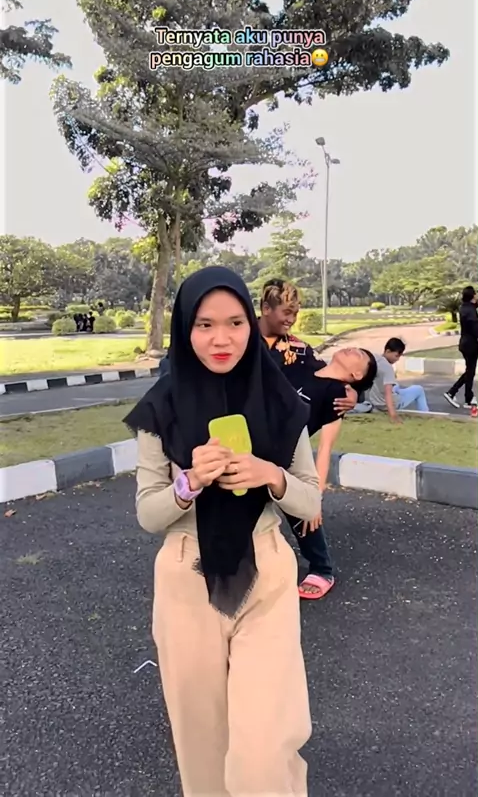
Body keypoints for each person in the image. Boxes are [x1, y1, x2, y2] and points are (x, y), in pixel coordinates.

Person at [125, 267, 322, 797]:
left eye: (235, 322)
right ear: (185, 329)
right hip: (186, 578)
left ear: (251, 324)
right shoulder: (160, 409)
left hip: (266, 571)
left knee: (262, 752)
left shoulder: (279, 400)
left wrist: (270, 475)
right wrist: (189, 482)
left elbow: (310, 500)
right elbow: (148, 514)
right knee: (203, 748)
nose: (221, 339)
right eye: (205, 324)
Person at [258, 278, 358, 599]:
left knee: (296, 497)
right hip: (241, 433)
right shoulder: (238, 338)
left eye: (296, 313)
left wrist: (351, 394)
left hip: (285, 437)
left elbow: (327, 377)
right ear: (265, 308)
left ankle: (321, 567)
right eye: (286, 312)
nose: (292, 319)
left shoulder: (298, 349)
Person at [363, 337, 430, 420]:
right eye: (396, 356)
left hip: (375, 401)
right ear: (388, 351)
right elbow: (388, 394)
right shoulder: (388, 368)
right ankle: (426, 415)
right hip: (385, 404)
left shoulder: (375, 359)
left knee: (396, 386)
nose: (397, 359)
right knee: (419, 389)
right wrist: (393, 415)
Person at [444, 286, 478, 409]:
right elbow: (475, 329)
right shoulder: (470, 311)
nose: (477, 295)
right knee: (470, 371)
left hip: (465, 343)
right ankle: (452, 392)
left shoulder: (465, 307)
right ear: (472, 296)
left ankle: (467, 398)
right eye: (476, 293)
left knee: (470, 371)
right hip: (471, 345)